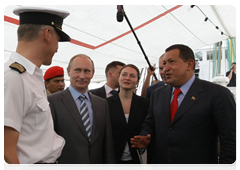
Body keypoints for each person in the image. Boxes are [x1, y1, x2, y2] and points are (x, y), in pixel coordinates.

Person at [131, 44, 238, 170]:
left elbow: (231, 142)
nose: (165, 69)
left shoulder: (217, 94)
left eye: (172, 62)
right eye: (164, 64)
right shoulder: (157, 94)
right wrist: (145, 138)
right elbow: (150, 124)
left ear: (189, 64)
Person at [4, 6, 71, 170]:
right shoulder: (14, 77)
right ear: (48, 33)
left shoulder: (29, 76)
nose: (57, 48)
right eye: (58, 39)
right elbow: (5, 155)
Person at [48, 54, 116, 170]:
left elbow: (107, 145)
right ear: (68, 72)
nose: (82, 76)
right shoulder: (53, 101)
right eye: (77, 70)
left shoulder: (102, 104)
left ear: (93, 73)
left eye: (87, 71)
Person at [107, 64, 152, 170]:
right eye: (124, 74)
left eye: (132, 76)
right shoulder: (106, 103)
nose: (127, 78)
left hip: (137, 160)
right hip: (114, 160)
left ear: (137, 81)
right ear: (119, 78)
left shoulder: (145, 104)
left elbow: (150, 129)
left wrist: (150, 162)